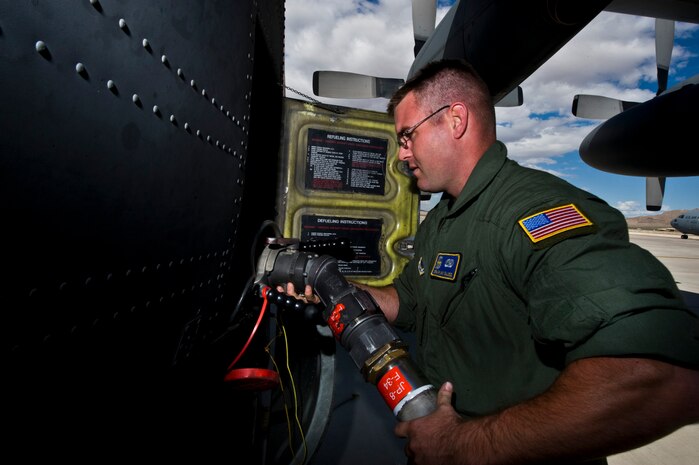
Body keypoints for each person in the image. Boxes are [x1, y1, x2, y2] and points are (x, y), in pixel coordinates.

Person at [284, 59, 699, 465]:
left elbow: (660, 375)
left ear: (455, 120)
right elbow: (408, 303)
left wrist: (461, 445)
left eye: (407, 135)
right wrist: (336, 287)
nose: (401, 154)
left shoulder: (537, 212)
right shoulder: (442, 220)